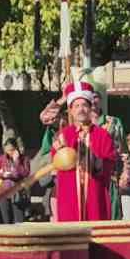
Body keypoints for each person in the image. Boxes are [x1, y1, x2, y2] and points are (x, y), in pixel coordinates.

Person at [51, 80, 116, 222]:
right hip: (70, 197)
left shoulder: (102, 135)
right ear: (71, 110)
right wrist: (62, 153)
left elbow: (110, 164)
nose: (81, 109)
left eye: (84, 105)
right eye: (76, 106)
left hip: (94, 196)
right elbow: (56, 167)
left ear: (91, 108)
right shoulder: (62, 135)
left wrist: (93, 159)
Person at [0, 136, 30, 224]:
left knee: (18, 220)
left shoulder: (24, 159)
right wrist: (3, 174)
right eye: (7, 150)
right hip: (3, 191)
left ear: (16, 149)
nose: (9, 152)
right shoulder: (1, 159)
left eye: (11, 150)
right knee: (5, 220)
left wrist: (16, 161)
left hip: (17, 192)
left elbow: (24, 173)